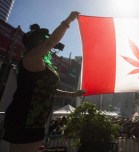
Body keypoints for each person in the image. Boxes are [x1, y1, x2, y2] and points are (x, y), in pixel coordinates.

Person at [1, 11, 85, 152]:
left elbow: (49, 89)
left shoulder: (41, 63)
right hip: (24, 119)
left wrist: (73, 95)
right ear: (35, 43)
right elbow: (51, 42)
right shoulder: (30, 58)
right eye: (43, 39)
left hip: (35, 121)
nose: (46, 42)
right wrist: (69, 20)